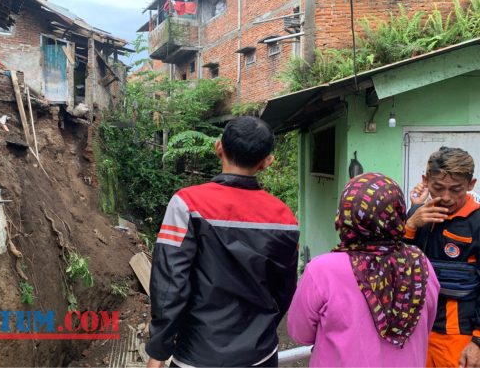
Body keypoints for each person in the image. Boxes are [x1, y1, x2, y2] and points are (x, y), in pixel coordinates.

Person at [145, 116, 300, 367]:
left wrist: (158, 351)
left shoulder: (187, 204)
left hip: (197, 355)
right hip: (260, 356)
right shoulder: (285, 218)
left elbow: (170, 284)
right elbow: (284, 291)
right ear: (266, 162)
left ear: (219, 148)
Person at [287, 172, 439, 367]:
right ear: (398, 214)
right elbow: (427, 323)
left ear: (344, 215)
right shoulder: (420, 263)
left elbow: (300, 333)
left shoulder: (322, 270)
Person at [404, 147, 480, 368]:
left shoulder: (476, 223)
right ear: (426, 181)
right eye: (438, 187)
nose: (446, 197)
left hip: (457, 336)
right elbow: (396, 264)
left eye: (455, 189)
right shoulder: (416, 216)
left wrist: (477, 341)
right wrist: (410, 225)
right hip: (414, 331)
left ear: (470, 185)